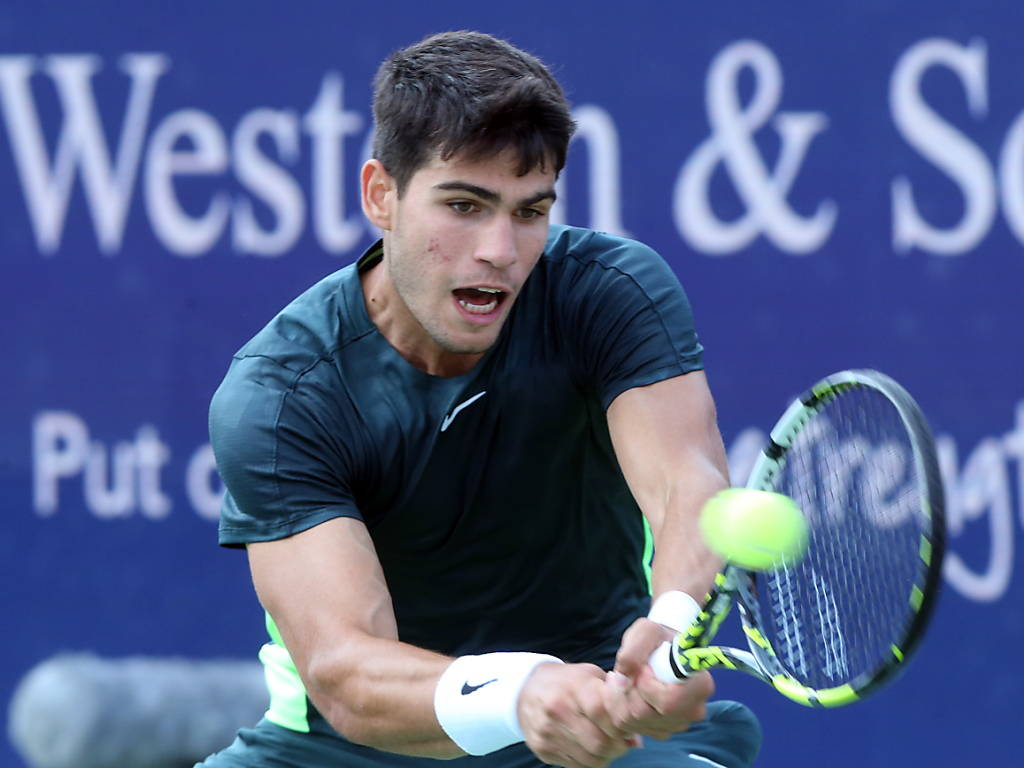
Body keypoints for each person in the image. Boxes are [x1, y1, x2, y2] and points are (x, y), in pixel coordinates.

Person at [199, 30, 761, 768]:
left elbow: (687, 485)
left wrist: (672, 622)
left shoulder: (609, 294)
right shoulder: (281, 394)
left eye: (530, 212)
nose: (500, 248)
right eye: (464, 205)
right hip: (344, 749)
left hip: (598, 723)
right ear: (381, 195)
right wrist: (521, 693)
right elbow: (345, 671)